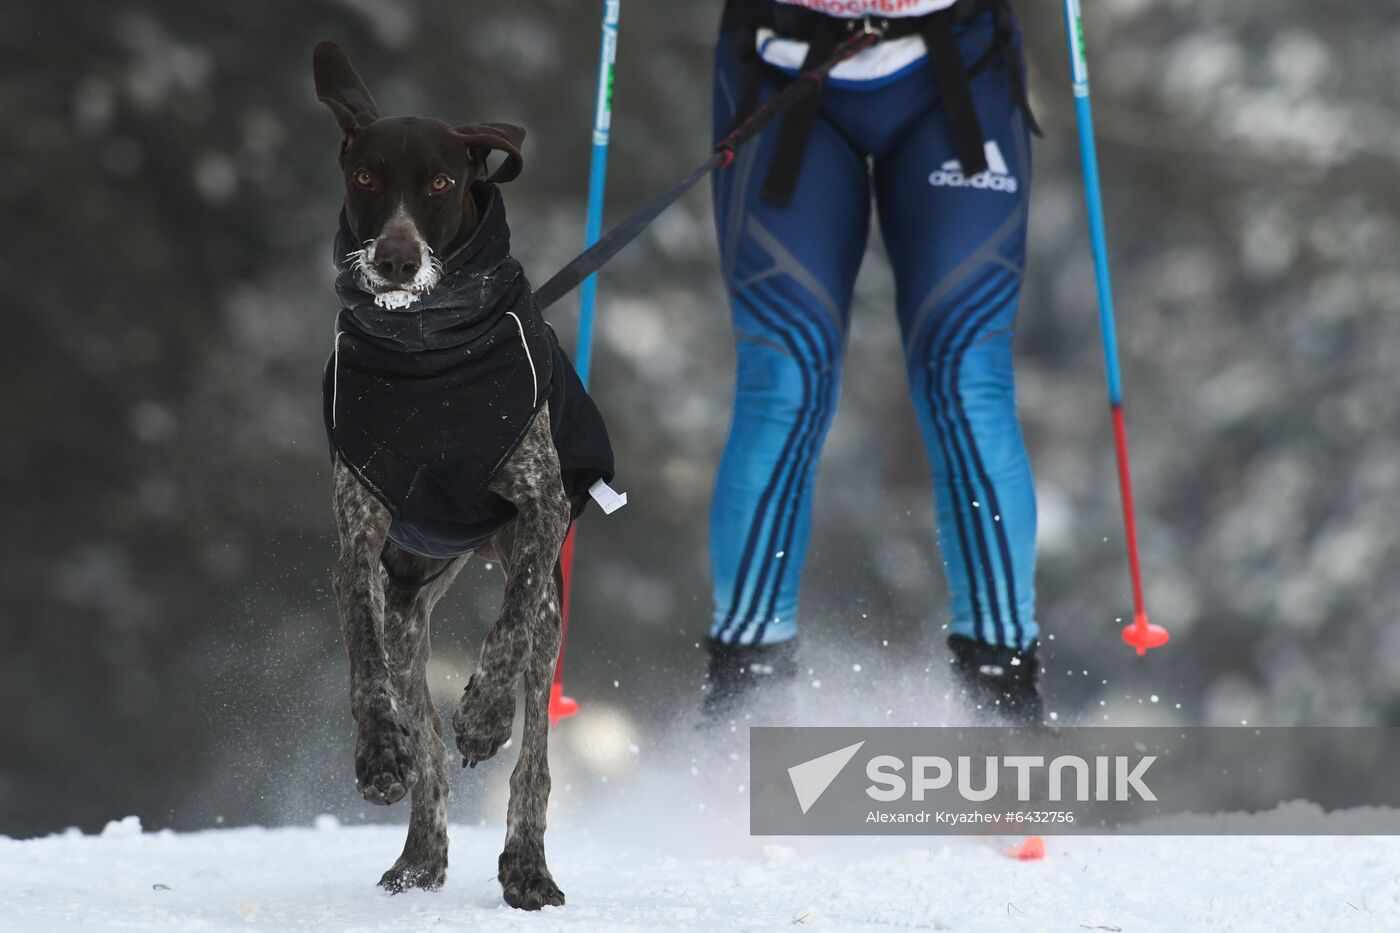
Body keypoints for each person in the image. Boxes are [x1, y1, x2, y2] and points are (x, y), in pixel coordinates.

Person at [703, 0, 1044, 723]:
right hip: (780, 59)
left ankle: (1004, 709)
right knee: (785, 373)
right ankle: (745, 713)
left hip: (955, 60)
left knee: (964, 365)